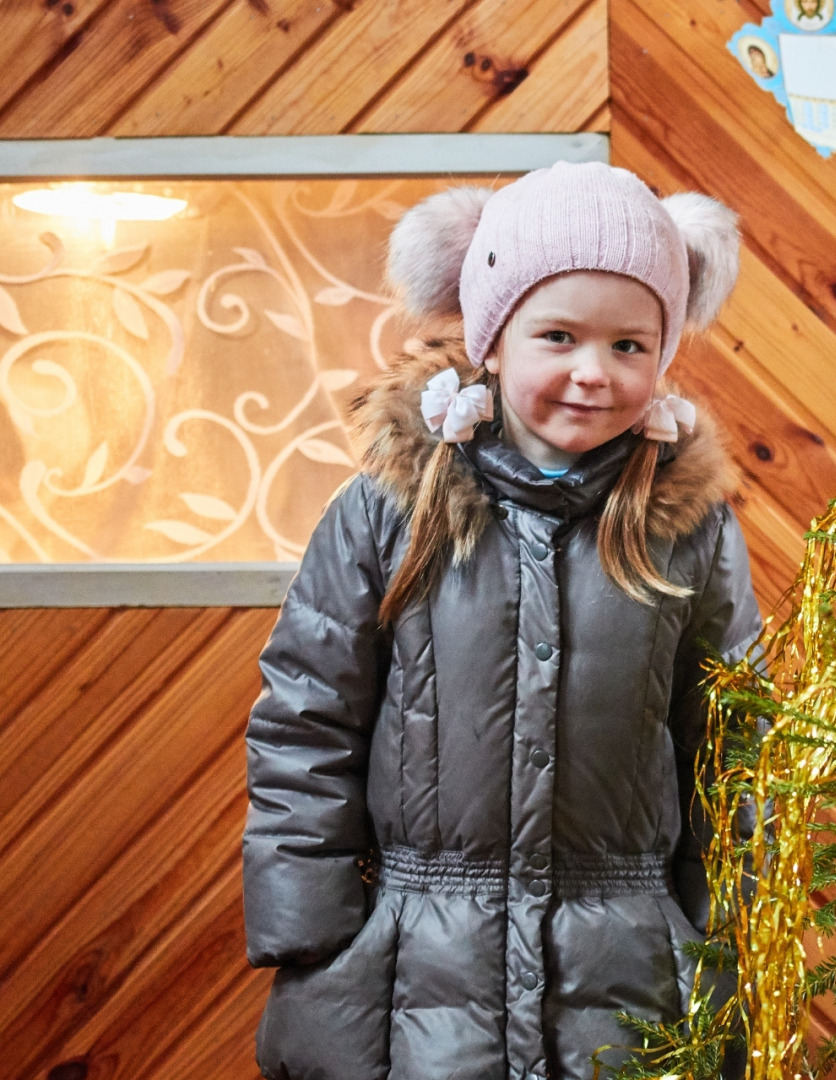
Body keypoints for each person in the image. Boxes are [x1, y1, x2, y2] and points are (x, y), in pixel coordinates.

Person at [242, 161, 761, 1080]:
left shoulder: (687, 528)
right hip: (413, 970)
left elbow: (729, 739)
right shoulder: (390, 510)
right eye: (557, 335)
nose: (593, 372)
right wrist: (314, 932)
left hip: (628, 962)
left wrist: (725, 932)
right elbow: (305, 719)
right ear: (492, 338)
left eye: (631, 346)